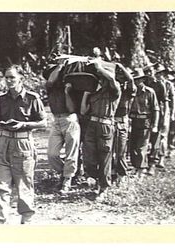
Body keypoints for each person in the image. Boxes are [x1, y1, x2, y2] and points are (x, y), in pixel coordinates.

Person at [0, 65, 47, 224]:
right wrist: (1, 124)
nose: (8, 81)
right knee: (0, 185)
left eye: (12, 77)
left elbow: (43, 122)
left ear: (21, 78)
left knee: (24, 185)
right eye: (6, 77)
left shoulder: (32, 98)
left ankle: (26, 220)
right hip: (4, 143)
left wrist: (23, 125)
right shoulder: (2, 99)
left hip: (23, 143)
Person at [81, 59, 121, 200]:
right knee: (89, 156)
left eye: (103, 77)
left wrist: (99, 67)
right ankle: (95, 179)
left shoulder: (115, 91)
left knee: (104, 157)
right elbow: (83, 110)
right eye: (100, 78)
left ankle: (103, 188)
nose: (102, 80)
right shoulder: (94, 93)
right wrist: (86, 94)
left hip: (106, 126)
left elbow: (112, 79)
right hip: (92, 125)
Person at [46, 63, 81, 193]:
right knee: (52, 154)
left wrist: (67, 93)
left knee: (71, 153)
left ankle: (67, 180)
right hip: (56, 120)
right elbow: (50, 82)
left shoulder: (71, 87)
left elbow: (72, 109)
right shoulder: (50, 87)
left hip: (69, 120)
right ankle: (66, 173)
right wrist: (59, 66)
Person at [129, 68, 159, 176]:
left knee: (142, 146)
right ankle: (135, 166)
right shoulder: (130, 91)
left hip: (145, 121)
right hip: (133, 121)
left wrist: (155, 125)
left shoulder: (149, 92)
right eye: (135, 80)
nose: (137, 82)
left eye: (139, 80)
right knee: (132, 146)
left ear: (142, 80)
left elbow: (156, 109)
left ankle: (141, 169)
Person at [112, 65, 136, 186]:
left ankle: (121, 175)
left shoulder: (128, 92)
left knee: (120, 151)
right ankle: (111, 173)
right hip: (110, 122)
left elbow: (131, 80)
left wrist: (121, 67)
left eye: (122, 78)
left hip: (122, 122)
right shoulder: (111, 90)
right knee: (109, 150)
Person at [143, 63, 167, 176]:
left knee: (155, 138)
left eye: (150, 72)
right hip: (145, 114)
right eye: (146, 72)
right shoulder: (143, 83)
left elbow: (165, 102)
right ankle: (143, 163)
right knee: (143, 139)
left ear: (154, 73)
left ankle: (152, 164)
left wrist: (165, 117)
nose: (149, 74)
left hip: (157, 113)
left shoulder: (160, 85)